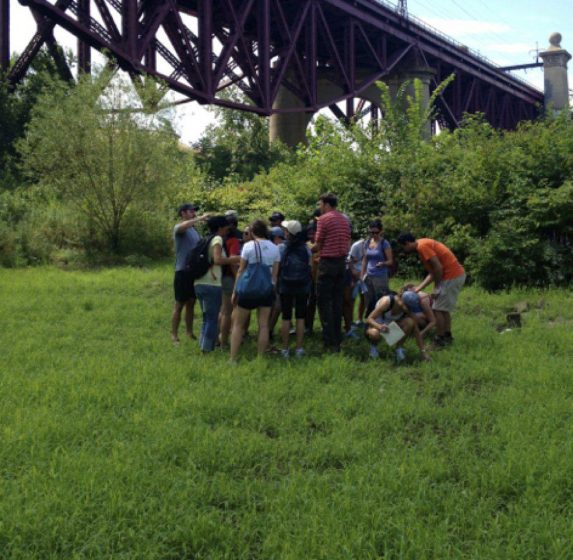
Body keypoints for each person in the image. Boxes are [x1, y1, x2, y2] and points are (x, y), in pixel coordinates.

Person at [397, 233, 466, 347]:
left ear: (408, 243)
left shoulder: (422, 246)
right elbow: (433, 273)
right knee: (443, 309)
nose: (404, 250)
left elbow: (438, 268)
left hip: (451, 276)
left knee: (437, 309)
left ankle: (439, 340)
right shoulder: (422, 245)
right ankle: (447, 337)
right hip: (454, 276)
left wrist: (436, 288)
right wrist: (418, 288)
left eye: (403, 247)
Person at [230, 220, 280, 361]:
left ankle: (233, 358)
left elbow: (241, 270)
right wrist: (272, 290)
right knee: (263, 325)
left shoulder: (248, 246)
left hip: (248, 289)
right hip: (266, 290)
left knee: (238, 325)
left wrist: (235, 291)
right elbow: (275, 274)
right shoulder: (275, 248)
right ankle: (260, 357)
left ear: (252, 232)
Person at [194, 216, 240, 352]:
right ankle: (207, 349)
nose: (228, 229)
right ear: (220, 227)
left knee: (206, 318)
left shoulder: (205, 238)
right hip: (211, 283)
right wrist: (236, 259)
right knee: (212, 319)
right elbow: (217, 259)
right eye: (226, 226)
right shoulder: (217, 239)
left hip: (199, 282)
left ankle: (203, 345)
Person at [311, 192, 351, 352]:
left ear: (326, 204)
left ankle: (329, 342)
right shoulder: (344, 219)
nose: (319, 207)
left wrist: (310, 247)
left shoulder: (324, 219)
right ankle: (337, 338)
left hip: (327, 263)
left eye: (320, 204)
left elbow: (318, 244)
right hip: (341, 263)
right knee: (337, 301)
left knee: (323, 301)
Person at [171, 203, 209, 344]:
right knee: (179, 304)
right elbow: (183, 227)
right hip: (182, 271)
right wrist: (200, 219)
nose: (194, 213)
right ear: (183, 213)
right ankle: (174, 335)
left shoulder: (194, 230)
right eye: (191, 211)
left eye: (194, 211)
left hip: (193, 271)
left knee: (191, 303)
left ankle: (189, 332)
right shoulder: (179, 228)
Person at [277, 220, 312, 358]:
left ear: (288, 233)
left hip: (285, 285)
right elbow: (309, 267)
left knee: (286, 317)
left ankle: (285, 349)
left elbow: (278, 267)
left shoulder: (281, 247)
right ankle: (299, 348)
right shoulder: (306, 248)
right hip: (302, 285)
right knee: (300, 317)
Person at [365, 292, 430, 362]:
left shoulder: (407, 310)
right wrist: (379, 326)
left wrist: (423, 352)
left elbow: (417, 332)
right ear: (402, 301)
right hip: (376, 325)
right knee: (374, 334)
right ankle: (374, 348)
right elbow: (369, 319)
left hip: (389, 329)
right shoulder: (387, 301)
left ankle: (398, 349)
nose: (409, 309)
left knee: (410, 322)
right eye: (408, 307)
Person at [219, 211, 243, 348]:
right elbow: (233, 262)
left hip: (218, 277)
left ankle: (218, 338)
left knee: (222, 310)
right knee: (228, 312)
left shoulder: (219, 239)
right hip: (229, 277)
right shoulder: (233, 240)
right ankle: (223, 342)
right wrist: (237, 279)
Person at [361, 219, 393, 315]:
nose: (374, 234)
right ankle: (371, 320)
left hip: (380, 276)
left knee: (381, 299)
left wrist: (383, 263)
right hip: (368, 276)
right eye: (371, 232)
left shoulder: (384, 243)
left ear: (380, 231)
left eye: (376, 232)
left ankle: (383, 319)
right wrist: (362, 275)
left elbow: (390, 261)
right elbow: (365, 259)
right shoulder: (367, 242)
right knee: (369, 300)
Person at [348, 235, 366, 326]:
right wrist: (354, 272)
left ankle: (360, 319)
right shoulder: (356, 245)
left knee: (364, 298)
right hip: (354, 274)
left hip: (365, 275)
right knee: (352, 298)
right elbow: (349, 260)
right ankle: (350, 320)